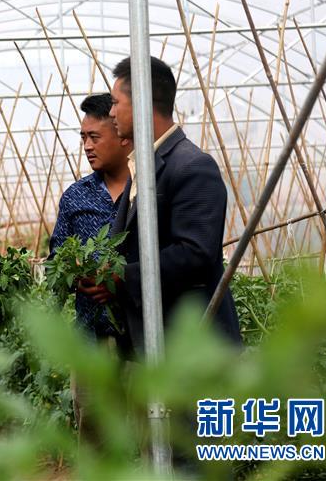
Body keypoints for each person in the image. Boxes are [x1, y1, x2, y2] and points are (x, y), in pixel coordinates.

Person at [83, 56, 241, 353]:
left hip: (196, 352)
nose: (112, 112)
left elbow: (195, 254)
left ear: (142, 102)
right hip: (158, 349)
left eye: (117, 103)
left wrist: (121, 276)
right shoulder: (143, 167)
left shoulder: (192, 166)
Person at [47, 93, 133, 441]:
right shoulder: (76, 196)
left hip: (141, 335)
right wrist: (74, 274)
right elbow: (55, 265)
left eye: (94, 137)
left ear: (122, 136)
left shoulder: (151, 190)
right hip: (90, 338)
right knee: (94, 436)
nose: (86, 146)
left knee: (153, 437)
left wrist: (122, 281)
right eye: (82, 137)